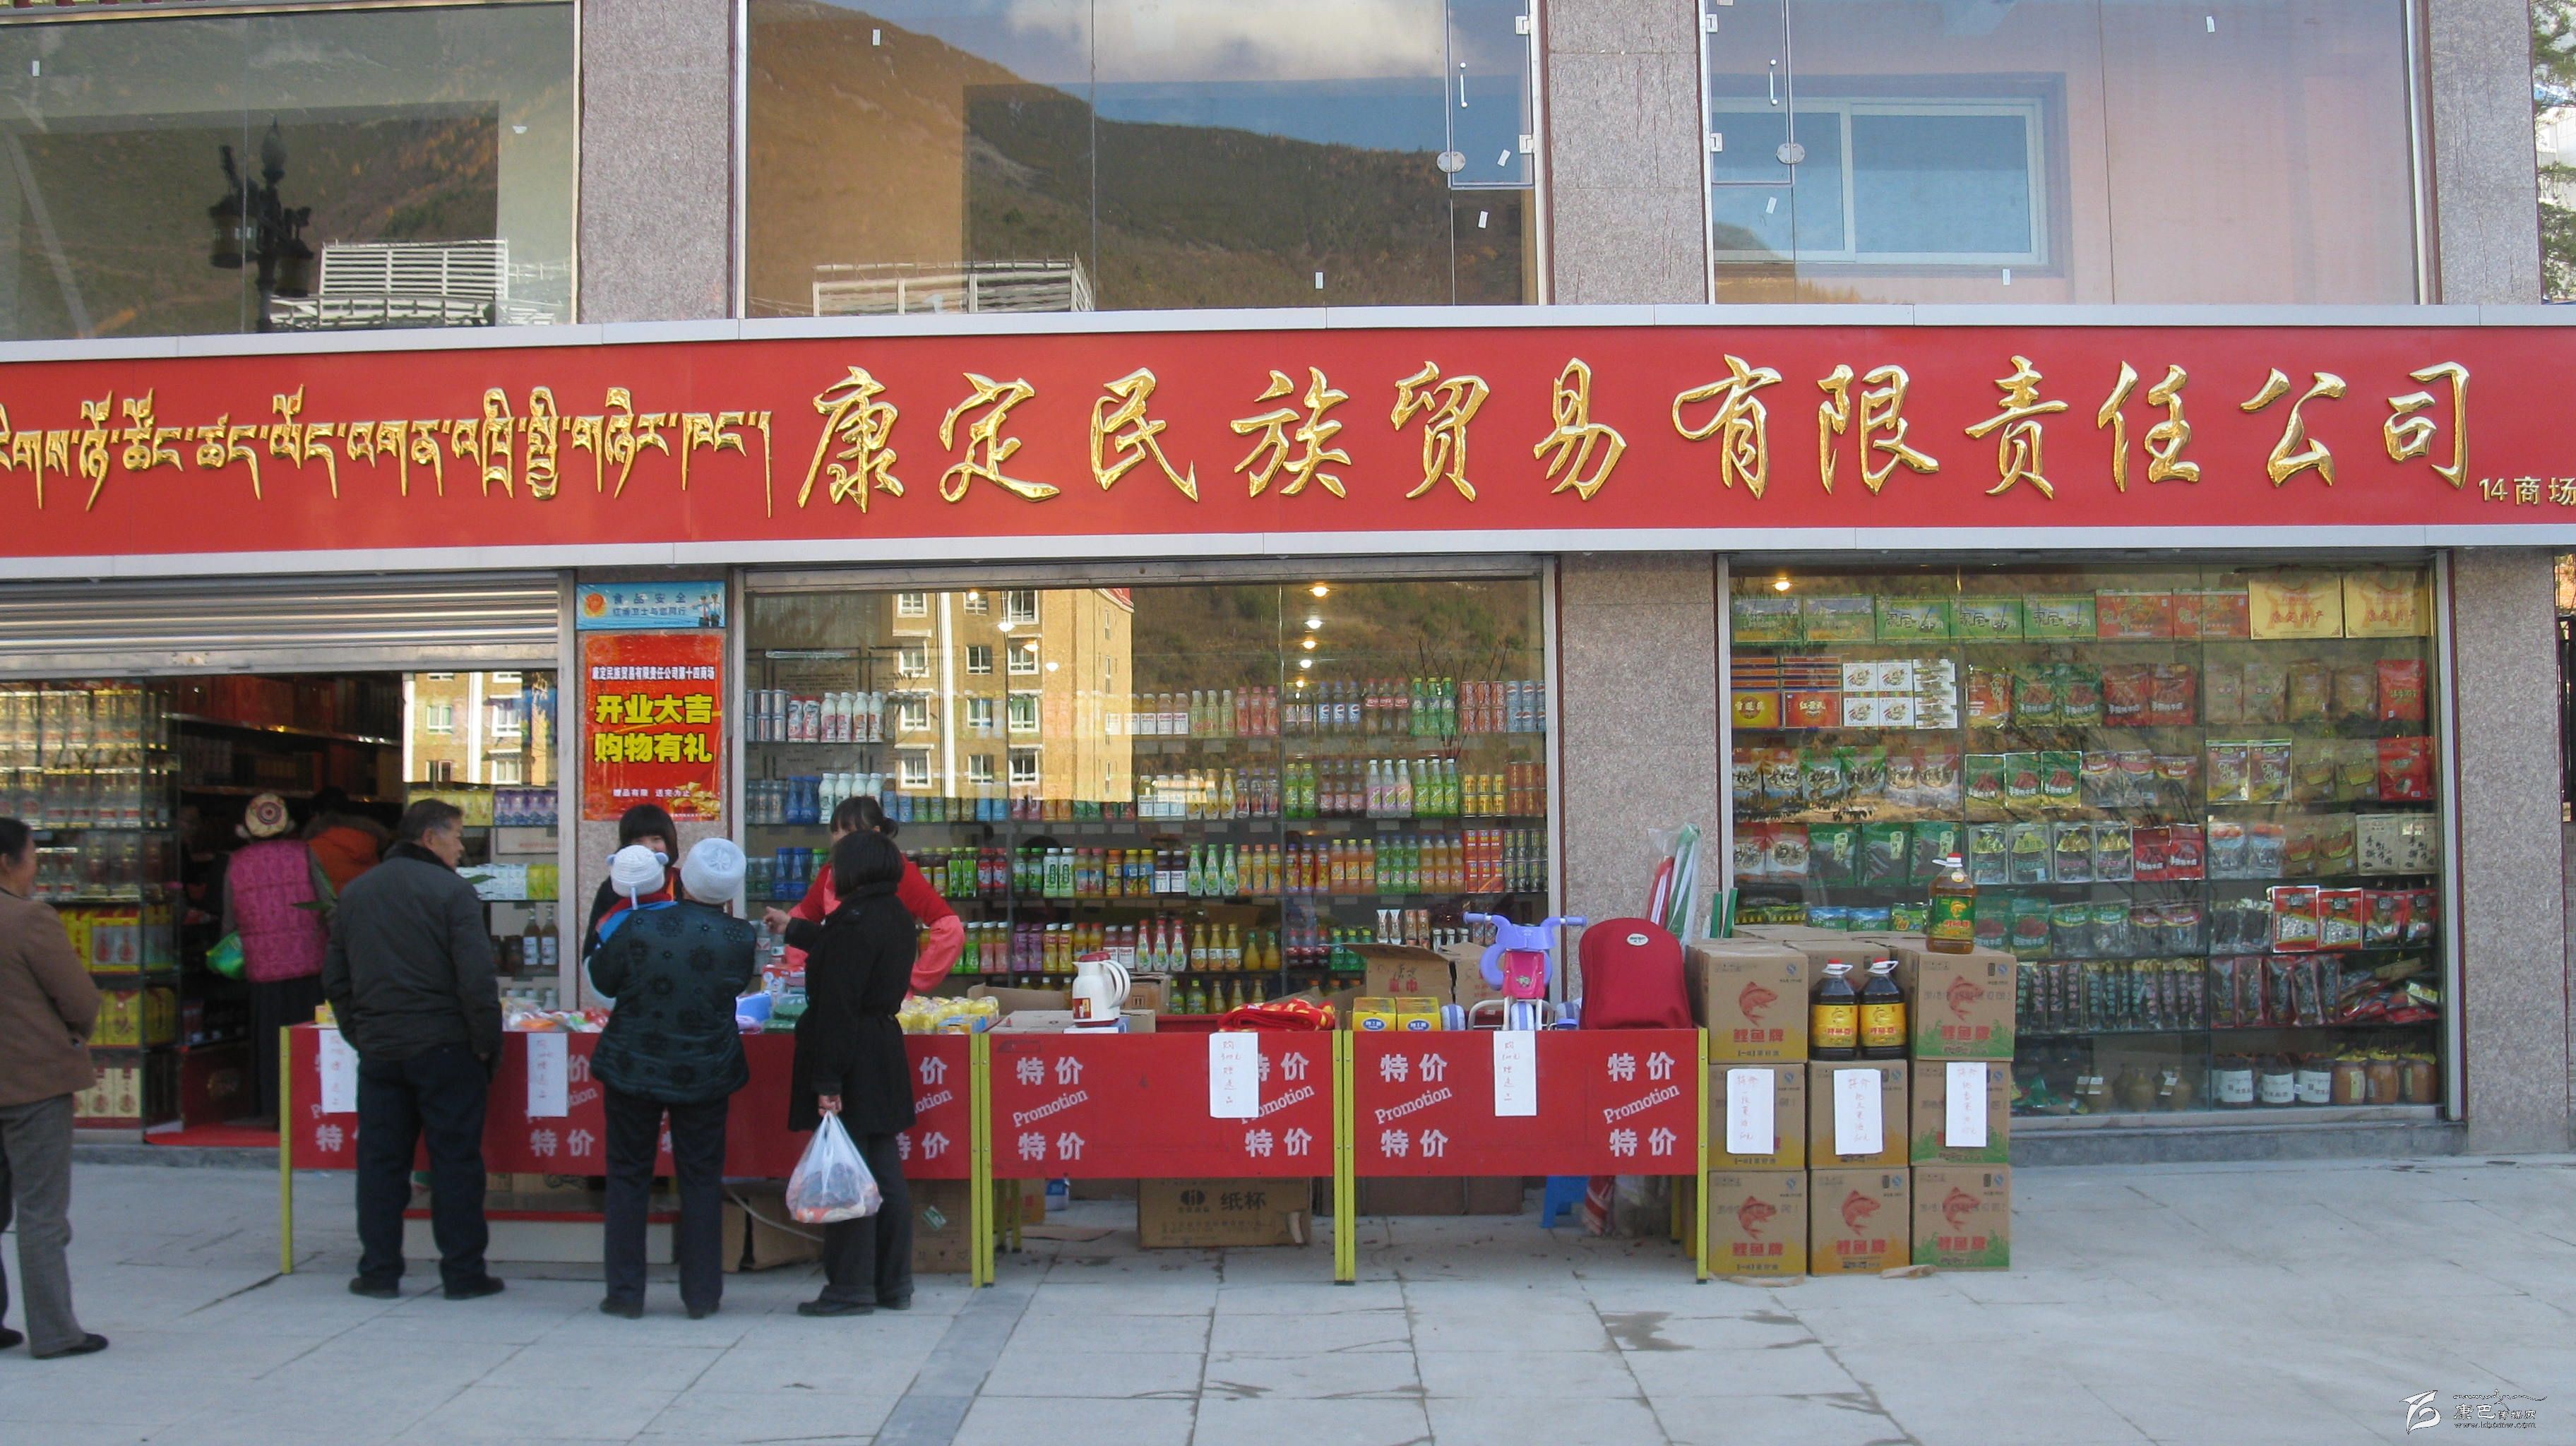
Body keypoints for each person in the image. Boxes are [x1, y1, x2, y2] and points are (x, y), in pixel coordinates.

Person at [321, 799, 505, 1302]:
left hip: (382, 1049)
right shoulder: (452, 893)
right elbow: (476, 981)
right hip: (446, 1047)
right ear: (430, 837)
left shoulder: (357, 893)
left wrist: (360, 1033)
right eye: (456, 837)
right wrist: (486, 1045)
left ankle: (379, 1271)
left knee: (381, 1164)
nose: (461, 848)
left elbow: (336, 977)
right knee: (455, 1162)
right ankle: (463, 1273)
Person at [585, 839, 756, 1320]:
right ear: (730, 892)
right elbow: (733, 987)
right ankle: (702, 1296)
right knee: (701, 1178)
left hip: (632, 1063)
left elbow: (603, 979)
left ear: (682, 879)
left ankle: (624, 1294)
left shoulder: (638, 924)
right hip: (706, 1068)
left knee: (628, 1175)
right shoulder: (739, 938)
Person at [768, 830, 914, 1317]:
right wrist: (793, 928)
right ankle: (893, 1282)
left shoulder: (854, 921)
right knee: (884, 1172)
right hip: (883, 1049)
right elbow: (842, 950)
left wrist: (828, 1082)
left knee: (848, 1173)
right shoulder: (894, 915)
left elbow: (838, 1005)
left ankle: (850, 1286)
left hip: (853, 1056)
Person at [0, 817, 107, 1358]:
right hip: (31, 1082)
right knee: (41, 1212)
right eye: (32, 859)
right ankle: (55, 1331)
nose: (35, 871)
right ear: (7, 862)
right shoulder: (27, 919)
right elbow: (80, 999)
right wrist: (71, 1035)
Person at [224, 792, 333, 1121]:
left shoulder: (236, 862)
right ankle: (310, 1106)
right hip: (309, 961)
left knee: (272, 1039)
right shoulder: (304, 853)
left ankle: (274, 1109)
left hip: (263, 967)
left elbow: (229, 921)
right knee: (308, 1036)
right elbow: (327, 902)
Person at [786, 796, 962, 991]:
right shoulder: (830, 873)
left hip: (885, 996)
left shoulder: (901, 873)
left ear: (875, 833)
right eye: (835, 831)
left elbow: (950, 927)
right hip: (836, 989)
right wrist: (800, 977)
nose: (838, 839)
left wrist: (915, 977)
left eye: (849, 831)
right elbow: (800, 922)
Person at [581, 804, 679, 957]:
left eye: (656, 839)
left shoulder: (683, 882)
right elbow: (592, 951)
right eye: (638, 841)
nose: (648, 848)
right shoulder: (613, 887)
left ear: (669, 843)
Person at [302, 787, 388, 897]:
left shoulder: (314, 847)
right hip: (368, 904)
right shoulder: (368, 841)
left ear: (317, 815)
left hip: (332, 906)